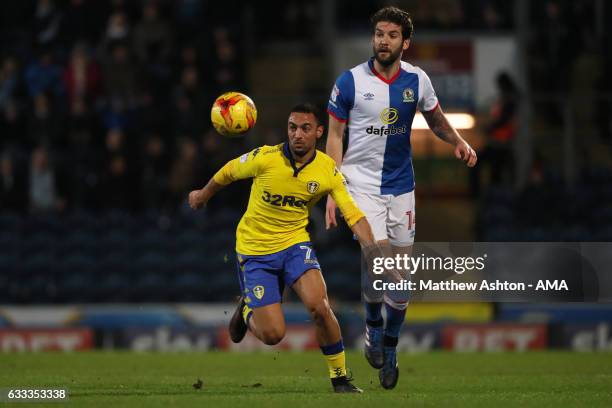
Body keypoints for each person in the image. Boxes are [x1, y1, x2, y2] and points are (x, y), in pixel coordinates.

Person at [325, 6, 477, 389]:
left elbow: (437, 119)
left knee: (399, 280)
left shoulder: (417, 80)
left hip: (401, 188)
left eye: (392, 35)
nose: (383, 41)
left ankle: (388, 346)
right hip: (359, 187)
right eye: (379, 33)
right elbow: (334, 138)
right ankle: (373, 327)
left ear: (405, 43)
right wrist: (331, 188)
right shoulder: (350, 82)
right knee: (380, 261)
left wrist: (457, 141)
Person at [188, 103, 382, 393]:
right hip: (255, 250)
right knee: (273, 335)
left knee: (320, 306)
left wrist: (374, 251)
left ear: (318, 132)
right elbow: (229, 172)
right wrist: (203, 195)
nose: (297, 134)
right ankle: (246, 311)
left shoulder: (327, 169)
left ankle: (340, 378)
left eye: (305, 128)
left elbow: (353, 214)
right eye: (292, 128)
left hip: (294, 245)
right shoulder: (265, 157)